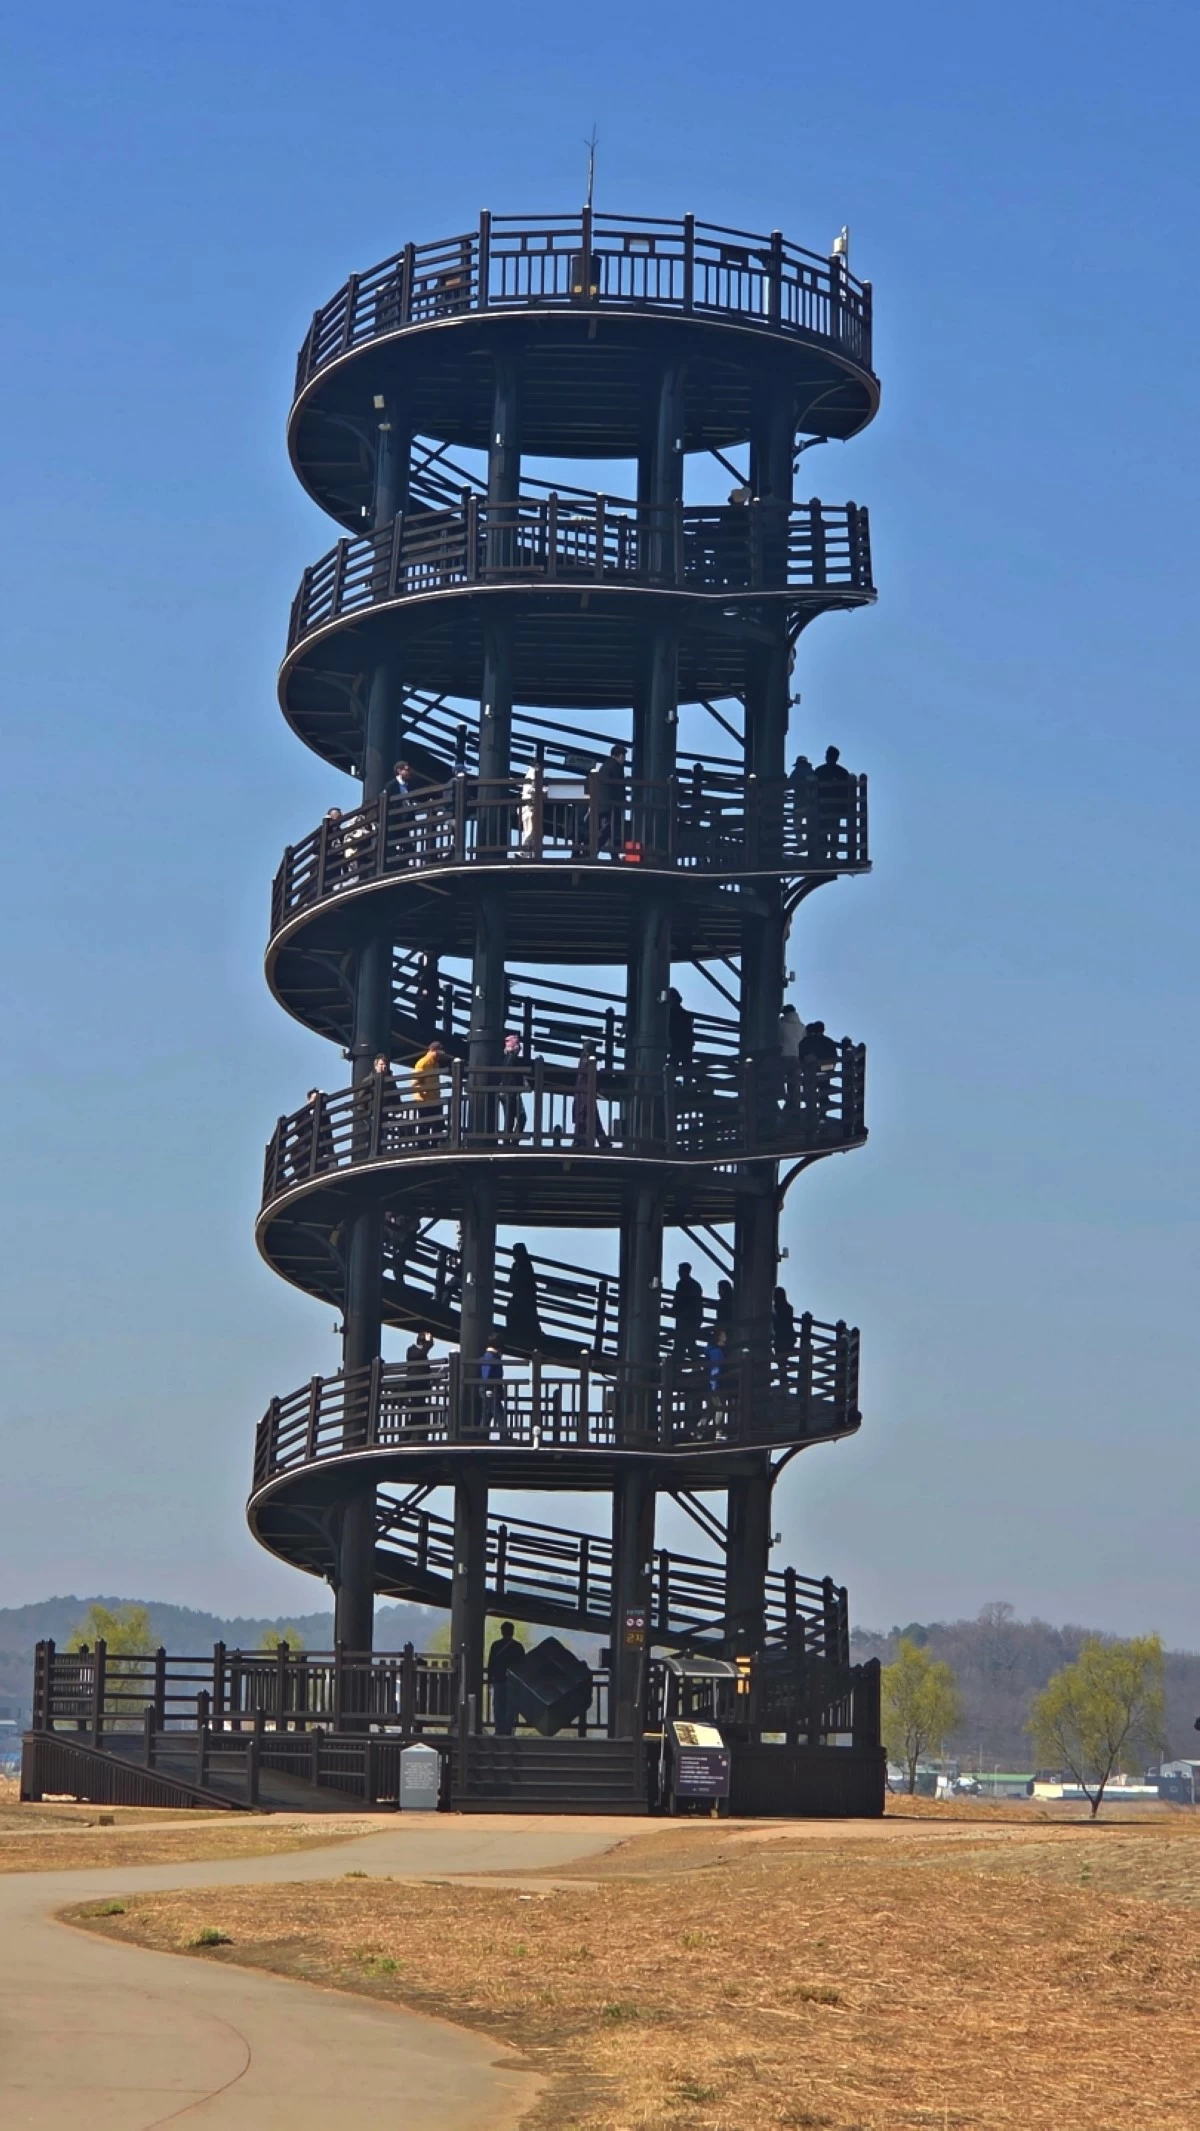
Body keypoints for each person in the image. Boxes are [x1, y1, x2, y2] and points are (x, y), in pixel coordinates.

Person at [813, 744, 854, 863]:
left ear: (827, 757)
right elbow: (846, 791)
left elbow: (814, 789)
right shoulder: (843, 772)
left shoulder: (819, 771)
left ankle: (823, 854)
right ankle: (833, 854)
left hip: (822, 807)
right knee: (834, 830)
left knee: (822, 830)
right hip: (837, 807)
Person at [796, 1018, 838, 1123]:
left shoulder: (805, 1042)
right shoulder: (829, 1042)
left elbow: (800, 1057)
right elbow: (834, 1058)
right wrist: (830, 1069)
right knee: (824, 1093)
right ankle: (822, 1116)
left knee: (808, 1093)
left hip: (809, 1071)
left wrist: (804, 1069)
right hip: (825, 1071)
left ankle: (810, 1114)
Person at [487, 1620, 525, 1736]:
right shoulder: (518, 1647)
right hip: (513, 1681)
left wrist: (490, 1679)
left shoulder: (495, 1645)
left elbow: (491, 1664)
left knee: (498, 1705)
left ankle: (499, 1729)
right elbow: (523, 1665)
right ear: (512, 1632)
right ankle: (508, 1730)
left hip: (498, 1679)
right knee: (510, 1706)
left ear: (502, 1631)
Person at [572, 1039, 609, 1147]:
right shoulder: (587, 1060)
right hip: (584, 1092)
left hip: (583, 1092)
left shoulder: (584, 1059)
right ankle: (582, 1140)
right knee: (585, 1117)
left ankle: (581, 1140)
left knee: (585, 1117)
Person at [506, 1242, 542, 1351]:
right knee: (512, 1310)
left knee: (526, 1312)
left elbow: (526, 1281)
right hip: (519, 1296)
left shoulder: (526, 1264)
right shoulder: (516, 1265)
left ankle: (531, 1331)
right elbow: (511, 1281)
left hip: (525, 1296)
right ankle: (515, 1329)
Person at [592, 742, 627, 855]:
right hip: (610, 804)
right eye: (623, 756)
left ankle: (610, 854)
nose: (624, 759)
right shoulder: (616, 767)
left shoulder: (606, 765)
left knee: (606, 829)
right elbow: (619, 787)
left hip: (601, 803)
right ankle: (595, 847)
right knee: (610, 828)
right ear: (620, 756)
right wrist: (623, 802)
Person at [412, 1039, 446, 1141]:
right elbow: (415, 1082)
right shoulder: (422, 1063)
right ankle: (422, 1145)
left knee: (438, 1123)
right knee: (424, 1124)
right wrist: (422, 1092)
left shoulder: (436, 1064)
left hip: (434, 1099)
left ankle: (435, 1143)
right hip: (424, 1100)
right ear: (432, 1051)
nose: (439, 1056)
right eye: (437, 1053)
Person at [404, 1328, 435, 1434]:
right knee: (415, 1408)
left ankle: (420, 1430)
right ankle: (411, 1430)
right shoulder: (412, 1350)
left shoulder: (422, 1352)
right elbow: (422, 1352)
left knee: (421, 1407)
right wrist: (429, 1342)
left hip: (423, 1385)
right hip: (414, 1385)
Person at [500, 1032, 529, 1144]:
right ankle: (513, 1142)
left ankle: (508, 1141)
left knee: (509, 1118)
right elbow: (513, 1078)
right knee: (520, 1117)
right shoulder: (513, 1059)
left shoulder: (506, 1059)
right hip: (512, 1093)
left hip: (506, 1093)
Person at [671, 1261, 704, 1359]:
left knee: (680, 1344)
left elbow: (680, 1301)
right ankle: (697, 1364)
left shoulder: (682, 1283)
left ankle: (677, 1366)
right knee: (691, 1342)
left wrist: (673, 1310)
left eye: (680, 1271)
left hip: (684, 1318)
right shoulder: (696, 1285)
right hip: (695, 1318)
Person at [779, 1004, 807, 1109]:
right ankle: (795, 1105)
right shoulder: (801, 1026)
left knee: (781, 1079)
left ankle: (786, 1101)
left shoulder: (781, 1024)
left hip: (784, 1054)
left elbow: (778, 1037)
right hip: (797, 1056)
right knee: (795, 1082)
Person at [478, 1334, 506, 1435]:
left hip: (488, 1388)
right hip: (489, 1389)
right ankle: (504, 1435)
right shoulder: (490, 1357)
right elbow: (487, 1374)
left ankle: (481, 1436)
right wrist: (488, 1388)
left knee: (487, 1414)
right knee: (498, 1413)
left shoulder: (489, 1356)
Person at [703, 1326, 729, 1429]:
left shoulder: (711, 1350)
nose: (725, 1337)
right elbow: (715, 1369)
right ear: (719, 1337)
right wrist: (715, 1384)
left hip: (709, 1383)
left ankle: (699, 1430)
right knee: (720, 1407)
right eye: (723, 1335)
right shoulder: (717, 1352)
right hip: (715, 1384)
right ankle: (719, 1431)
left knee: (711, 1408)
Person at [667, 989, 696, 1080]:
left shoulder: (671, 1014)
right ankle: (687, 1089)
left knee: (673, 1067)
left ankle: (670, 1086)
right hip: (685, 1044)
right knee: (686, 1069)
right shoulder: (685, 1014)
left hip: (678, 1044)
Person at [413, 953, 440, 1047]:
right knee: (425, 1020)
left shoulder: (431, 972)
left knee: (426, 1020)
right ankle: (426, 1037)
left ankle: (426, 1037)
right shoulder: (430, 971)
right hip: (426, 1001)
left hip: (427, 1000)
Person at [772, 1286, 797, 1385]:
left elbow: (777, 1323)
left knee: (781, 1363)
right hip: (789, 1338)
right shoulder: (789, 1308)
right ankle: (784, 1385)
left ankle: (783, 1385)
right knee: (783, 1362)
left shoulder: (775, 1308)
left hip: (780, 1339)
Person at [519, 760, 541, 855]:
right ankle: (525, 853)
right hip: (529, 807)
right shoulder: (533, 774)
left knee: (529, 832)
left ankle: (526, 853)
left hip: (527, 808)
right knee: (530, 832)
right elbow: (531, 790)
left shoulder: (530, 774)